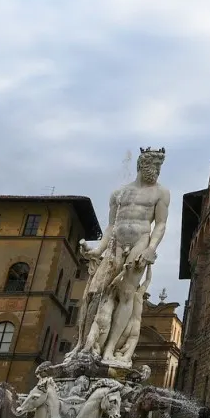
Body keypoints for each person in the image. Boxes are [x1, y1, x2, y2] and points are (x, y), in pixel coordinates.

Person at [78, 149, 173, 366]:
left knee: (127, 294)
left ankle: (110, 350)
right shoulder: (119, 193)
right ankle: (87, 345)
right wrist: (98, 250)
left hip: (140, 243)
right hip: (115, 245)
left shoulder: (161, 193)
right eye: (153, 166)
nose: (156, 171)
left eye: (159, 167)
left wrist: (151, 248)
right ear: (141, 164)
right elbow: (111, 226)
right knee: (94, 292)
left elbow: (160, 224)